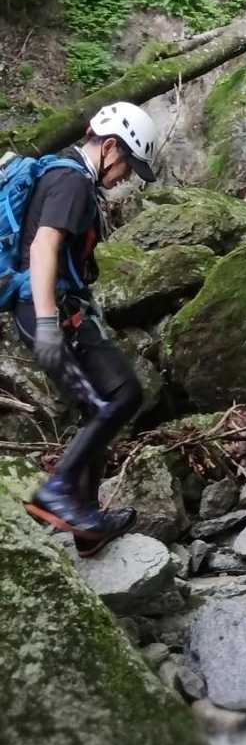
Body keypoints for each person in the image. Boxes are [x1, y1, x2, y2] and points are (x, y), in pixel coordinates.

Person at [12, 101, 158, 551]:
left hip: (61, 310)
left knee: (115, 397)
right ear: (110, 148)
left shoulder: (70, 177)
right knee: (109, 401)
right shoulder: (71, 181)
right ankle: (56, 493)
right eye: (128, 165)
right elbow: (43, 247)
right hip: (48, 311)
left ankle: (86, 522)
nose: (126, 177)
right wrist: (47, 323)